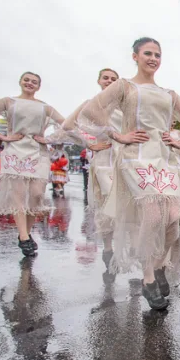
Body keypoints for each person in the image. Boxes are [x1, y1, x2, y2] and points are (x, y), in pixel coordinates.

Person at [74, 37, 180, 311]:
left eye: (157, 54)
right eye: (148, 53)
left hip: (165, 159)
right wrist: (117, 135)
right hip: (136, 157)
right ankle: (147, 280)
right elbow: (90, 113)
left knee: (173, 220)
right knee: (153, 215)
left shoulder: (169, 93)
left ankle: (157, 266)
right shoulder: (124, 86)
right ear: (135, 56)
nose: (153, 58)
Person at [0, 71, 67, 256]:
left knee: (36, 194)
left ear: (39, 86)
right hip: (14, 152)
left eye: (34, 82)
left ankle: (26, 232)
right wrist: (1, 136)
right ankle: (24, 236)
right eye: (26, 80)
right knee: (18, 195)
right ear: (20, 82)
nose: (30, 83)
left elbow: (65, 124)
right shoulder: (8, 101)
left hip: (39, 153)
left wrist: (48, 139)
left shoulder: (45, 107)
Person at [62, 68, 122, 275]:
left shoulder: (126, 104)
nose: (110, 81)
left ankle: (132, 249)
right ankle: (108, 248)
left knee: (131, 204)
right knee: (108, 206)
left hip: (127, 159)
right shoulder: (91, 104)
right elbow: (68, 125)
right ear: (99, 81)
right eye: (106, 78)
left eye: (114, 79)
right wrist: (89, 144)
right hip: (105, 158)